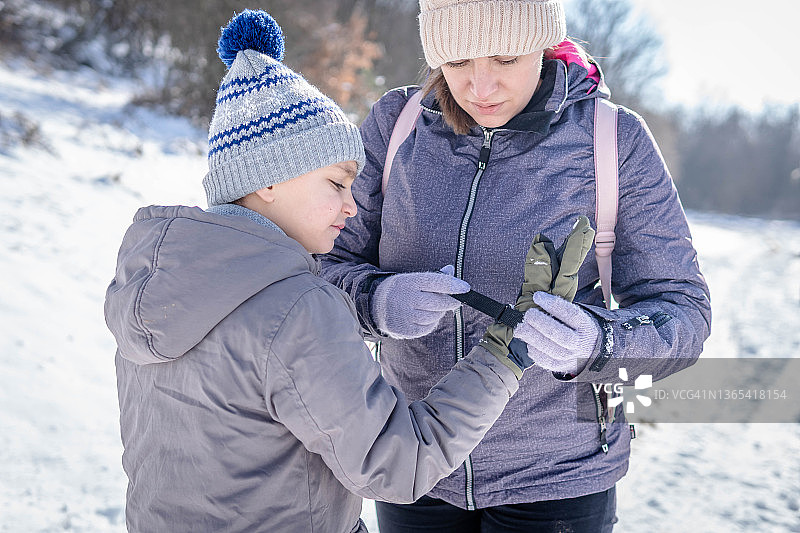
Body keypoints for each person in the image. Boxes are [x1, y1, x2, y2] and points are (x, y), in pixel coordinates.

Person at [100, 9, 581, 533]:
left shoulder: (157, 287)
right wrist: (504, 355)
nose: (352, 207)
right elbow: (398, 464)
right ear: (269, 181)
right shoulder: (295, 310)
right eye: (337, 183)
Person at [321, 0, 713, 531]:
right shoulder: (396, 127)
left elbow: (683, 314)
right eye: (457, 63)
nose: (480, 88)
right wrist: (378, 303)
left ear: (542, 45)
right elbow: (322, 270)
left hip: (558, 477)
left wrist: (599, 344)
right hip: (412, 461)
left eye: (504, 59)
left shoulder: (611, 141)